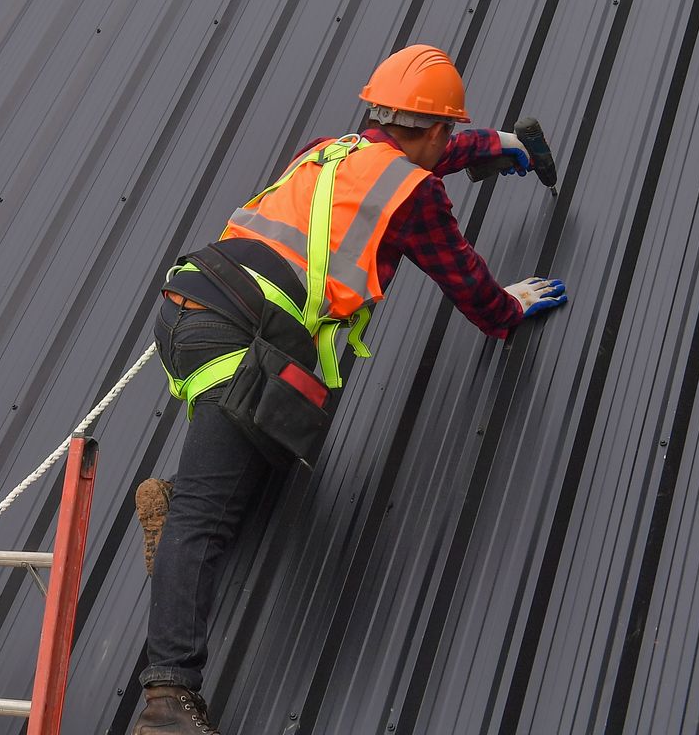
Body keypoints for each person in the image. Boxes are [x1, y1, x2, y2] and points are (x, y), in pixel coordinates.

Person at [130, 44, 568, 735]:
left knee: (279, 439)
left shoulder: (329, 150)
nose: (451, 144)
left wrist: (502, 145)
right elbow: (469, 285)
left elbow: (414, 155)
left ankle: (181, 498)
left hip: (192, 310)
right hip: (240, 337)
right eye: (449, 133)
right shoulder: (415, 194)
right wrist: (510, 309)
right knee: (209, 518)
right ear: (428, 129)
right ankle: (167, 704)